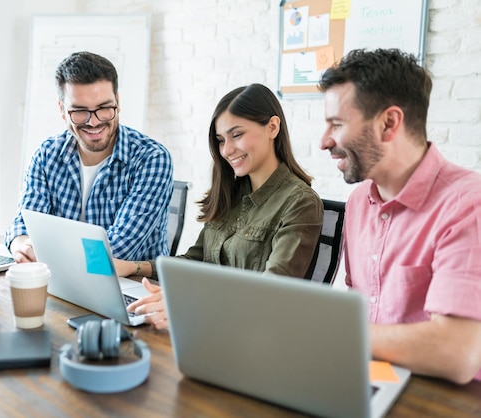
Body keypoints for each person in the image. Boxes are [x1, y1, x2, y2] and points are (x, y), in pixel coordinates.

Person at [318, 48, 481, 384]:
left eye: (336, 124)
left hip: (443, 399)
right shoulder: (360, 201)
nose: (324, 141)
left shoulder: (469, 206)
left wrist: (331, 335)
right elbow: (360, 309)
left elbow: (457, 353)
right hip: (377, 379)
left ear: (389, 123)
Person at [117, 83, 323, 329]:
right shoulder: (231, 193)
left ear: (272, 127)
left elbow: (272, 293)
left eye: (237, 135)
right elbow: (198, 260)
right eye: (221, 140)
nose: (226, 150)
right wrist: (134, 267)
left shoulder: (299, 202)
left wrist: (187, 301)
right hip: (209, 323)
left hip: (251, 333)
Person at [5, 51, 173, 262]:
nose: (94, 122)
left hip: (133, 287)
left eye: (104, 108)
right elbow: (23, 224)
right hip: (60, 278)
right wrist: (22, 246)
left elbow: (117, 249)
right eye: (80, 111)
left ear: (118, 102)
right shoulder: (46, 156)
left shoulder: (152, 159)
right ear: (62, 110)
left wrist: (47, 253)